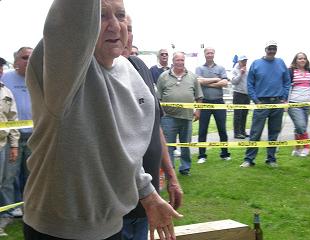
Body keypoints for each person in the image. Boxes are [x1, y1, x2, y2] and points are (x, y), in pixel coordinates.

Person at [23, 1, 181, 240]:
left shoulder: (129, 72)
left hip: (111, 228)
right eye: (101, 15)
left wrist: (148, 195)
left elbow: (124, 149)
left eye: (120, 15)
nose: (115, 25)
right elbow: (70, 17)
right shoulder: (62, 72)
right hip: (55, 229)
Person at [121, 15, 183, 240]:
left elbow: (155, 126)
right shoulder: (98, 75)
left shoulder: (139, 66)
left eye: (128, 28)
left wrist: (171, 175)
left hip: (148, 198)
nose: (123, 34)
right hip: (118, 205)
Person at [240, 40, 290, 168]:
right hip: (261, 102)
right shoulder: (256, 63)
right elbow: (250, 83)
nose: (272, 50)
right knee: (255, 132)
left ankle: (271, 159)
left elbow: (287, 81)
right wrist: (256, 100)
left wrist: (283, 97)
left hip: (277, 103)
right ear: (265, 49)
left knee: (274, 133)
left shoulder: (281, 62)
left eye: (274, 48)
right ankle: (249, 159)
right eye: (269, 48)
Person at [157, 51, 203, 176]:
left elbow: (199, 97)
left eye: (182, 60)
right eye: (177, 60)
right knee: (168, 146)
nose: (180, 62)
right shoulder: (163, 76)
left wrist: (198, 111)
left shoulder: (192, 77)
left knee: (185, 145)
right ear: (173, 61)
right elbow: (158, 98)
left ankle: (185, 168)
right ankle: (169, 170)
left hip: (187, 117)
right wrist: (161, 113)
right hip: (168, 117)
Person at [1, 47, 33, 217]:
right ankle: (10, 208)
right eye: (25, 57)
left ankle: (30, 207)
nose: (29, 60)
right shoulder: (5, 78)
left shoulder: (40, 77)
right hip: (11, 136)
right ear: (15, 63)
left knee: (32, 175)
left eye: (32, 57)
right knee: (9, 176)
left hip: (34, 136)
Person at [196, 47, 231, 164]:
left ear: (214, 54)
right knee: (202, 130)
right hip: (205, 102)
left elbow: (225, 83)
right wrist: (216, 79)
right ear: (204, 54)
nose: (209, 55)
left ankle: (225, 153)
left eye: (211, 53)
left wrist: (208, 83)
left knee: (222, 129)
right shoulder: (199, 68)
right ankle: (202, 155)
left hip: (219, 102)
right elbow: (198, 82)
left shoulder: (220, 68)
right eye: (207, 53)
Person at [288, 52, 310, 157]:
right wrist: (284, 102)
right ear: (296, 60)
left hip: (307, 104)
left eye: (304, 58)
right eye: (300, 58)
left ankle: (297, 148)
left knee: (300, 127)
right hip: (294, 103)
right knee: (301, 126)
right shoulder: (291, 71)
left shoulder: (309, 71)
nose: (302, 60)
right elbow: (287, 86)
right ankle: (306, 146)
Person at [0, 81, 20, 237]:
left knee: (5, 181)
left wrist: (14, 146)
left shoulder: (6, 91)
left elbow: (13, 119)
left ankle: (5, 217)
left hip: (2, 145)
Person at [231, 55, 250, 139]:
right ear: (239, 61)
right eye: (243, 61)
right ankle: (237, 133)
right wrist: (240, 73)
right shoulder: (234, 70)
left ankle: (242, 131)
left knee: (245, 114)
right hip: (238, 94)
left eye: (245, 61)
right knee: (238, 114)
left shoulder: (247, 69)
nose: (244, 62)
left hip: (246, 94)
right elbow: (234, 82)